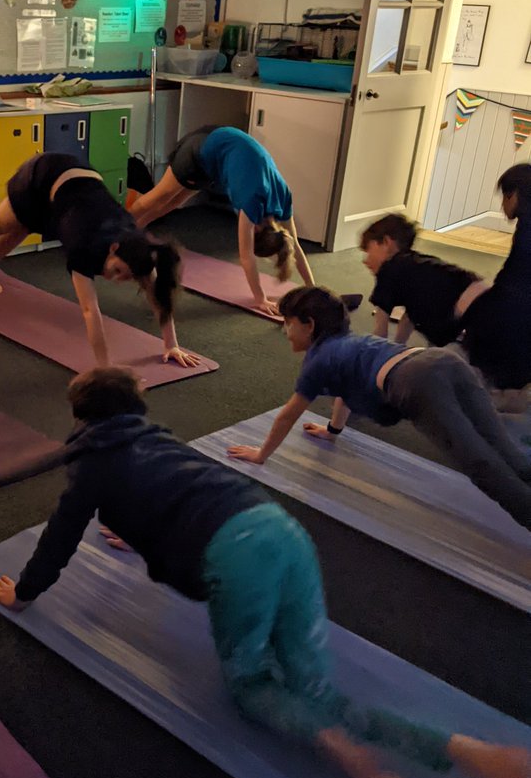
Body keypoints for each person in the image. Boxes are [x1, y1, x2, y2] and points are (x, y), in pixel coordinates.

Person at [0, 366, 530, 778]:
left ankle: (351, 757)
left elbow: (60, 534)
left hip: (236, 560)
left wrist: (24, 593)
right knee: (319, 690)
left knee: (251, 687)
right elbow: (179, 489)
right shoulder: (157, 439)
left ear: (81, 419)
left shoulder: (90, 465)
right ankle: (481, 757)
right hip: (280, 530)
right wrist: (140, 526)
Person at [227, 286, 531, 531]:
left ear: (309, 325)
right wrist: (332, 432)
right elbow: (345, 390)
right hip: (444, 361)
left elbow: (289, 413)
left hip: (417, 381)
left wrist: (261, 454)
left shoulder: (317, 362)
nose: (284, 331)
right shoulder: (346, 342)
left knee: (480, 462)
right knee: (503, 447)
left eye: (288, 323)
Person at [0, 151, 199, 369]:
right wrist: (105, 365)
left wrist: (172, 345)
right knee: (0, 224)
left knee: (23, 226)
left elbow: (159, 295)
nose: (119, 279)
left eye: (127, 277)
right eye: (119, 270)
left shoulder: (138, 250)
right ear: (113, 249)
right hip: (46, 173)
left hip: (77, 192)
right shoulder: (84, 248)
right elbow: (90, 311)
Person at [130, 125, 318, 316]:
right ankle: (120, 229)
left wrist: (313, 289)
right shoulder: (252, 202)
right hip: (202, 147)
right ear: (257, 232)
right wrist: (260, 298)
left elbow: (295, 247)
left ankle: (133, 232)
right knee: (157, 199)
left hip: (217, 159)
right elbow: (246, 257)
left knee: (170, 205)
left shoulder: (283, 197)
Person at [360, 212, 488, 346]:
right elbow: (410, 316)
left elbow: (380, 332)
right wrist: (399, 346)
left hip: (468, 306)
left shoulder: (388, 270)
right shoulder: (415, 266)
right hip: (480, 291)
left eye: (368, 250)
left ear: (386, 242)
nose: (365, 260)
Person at [461, 163, 531, 395]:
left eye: (504, 196)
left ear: (515, 195)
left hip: (519, 308)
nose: (502, 205)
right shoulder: (526, 224)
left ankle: (497, 389)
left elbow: (514, 279)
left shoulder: (527, 231)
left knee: (479, 316)